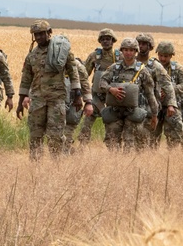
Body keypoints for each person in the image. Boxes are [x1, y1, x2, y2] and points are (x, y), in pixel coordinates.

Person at [16, 20, 82, 159]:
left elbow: (73, 73)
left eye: (41, 34)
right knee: (35, 135)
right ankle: (35, 166)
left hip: (56, 100)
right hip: (37, 101)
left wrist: (77, 95)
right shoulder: (31, 56)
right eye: (36, 34)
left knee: (56, 135)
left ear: (49, 33)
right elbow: (26, 79)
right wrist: (20, 103)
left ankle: (56, 165)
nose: (39, 37)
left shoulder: (61, 52)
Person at [99, 38, 161, 152]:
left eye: (131, 50)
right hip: (115, 111)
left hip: (133, 112)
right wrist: (111, 89)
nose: (128, 53)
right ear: (122, 51)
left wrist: (154, 115)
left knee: (130, 144)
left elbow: (150, 94)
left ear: (136, 51)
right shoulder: (114, 68)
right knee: (112, 143)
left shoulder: (142, 71)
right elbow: (101, 83)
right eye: (126, 50)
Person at [132, 33, 178, 149]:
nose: (141, 46)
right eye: (139, 43)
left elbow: (167, 85)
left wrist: (171, 104)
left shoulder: (156, 66)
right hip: (131, 104)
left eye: (144, 44)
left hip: (148, 105)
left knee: (145, 138)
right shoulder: (128, 63)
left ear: (150, 47)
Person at [79, 29, 121, 145]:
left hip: (113, 98)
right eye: (103, 39)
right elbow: (84, 74)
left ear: (113, 41)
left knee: (112, 125)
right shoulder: (94, 56)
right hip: (96, 97)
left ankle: (113, 148)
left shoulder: (119, 57)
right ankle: (82, 147)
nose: (105, 42)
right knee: (86, 124)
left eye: (108, 39)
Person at [148, 40, 183, 148]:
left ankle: (172, 156)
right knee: (151, 135)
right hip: (154, 106)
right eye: (160, 55)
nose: (163, 59)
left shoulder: (179, 69)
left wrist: (169, 90)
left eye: (166, 56)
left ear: (171, 56)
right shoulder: (151, 67)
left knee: (175, 133)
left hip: (172, 107)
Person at [63, 56, 95, 153]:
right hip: (54, 102)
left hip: (73, 103)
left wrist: (88, 102)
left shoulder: (76, 65)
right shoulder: (49, 61)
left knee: (68, 130)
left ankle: (66, 153)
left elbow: (85, 83)